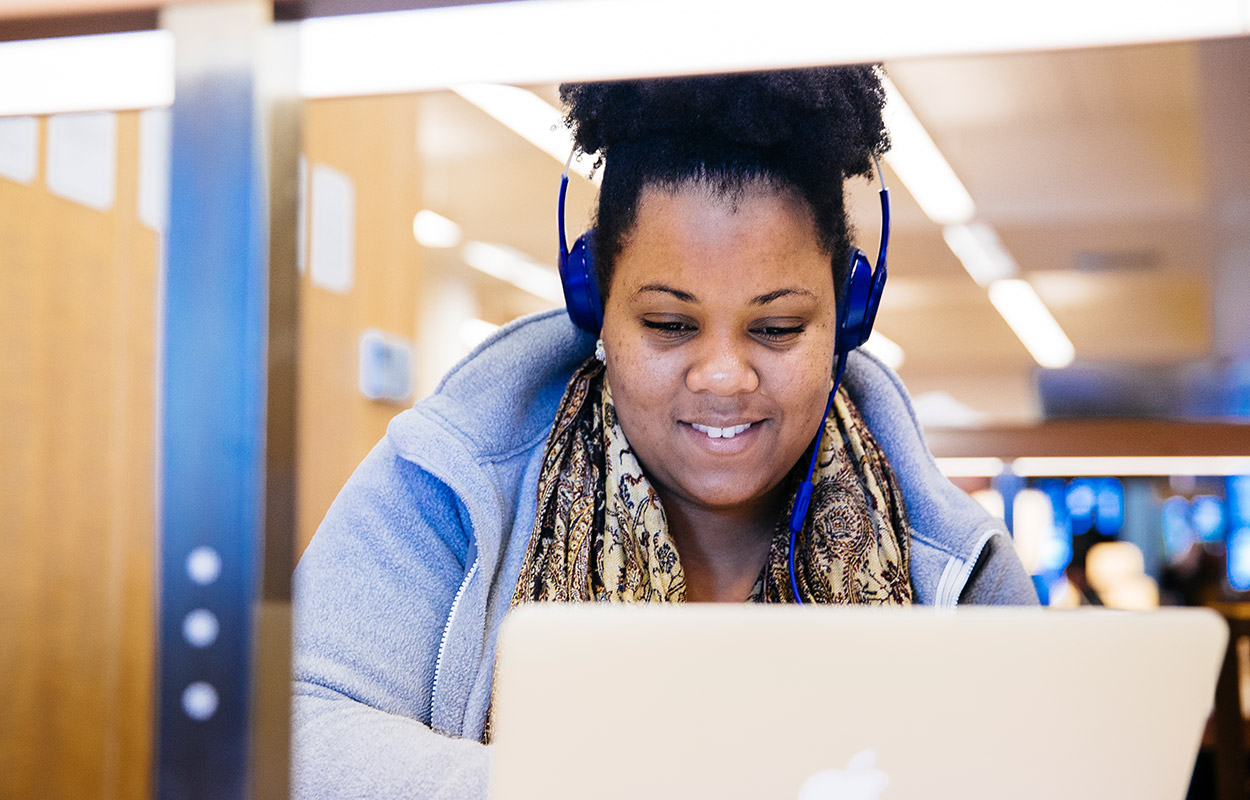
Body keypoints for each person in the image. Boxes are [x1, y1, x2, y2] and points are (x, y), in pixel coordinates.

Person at [291, 65, 1038, 799]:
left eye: (776, 328)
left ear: (847, 318)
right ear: (594, 305)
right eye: (669, 324)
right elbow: (293, 728)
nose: (722, 376)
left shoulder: (960, 568)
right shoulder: (446, 480)